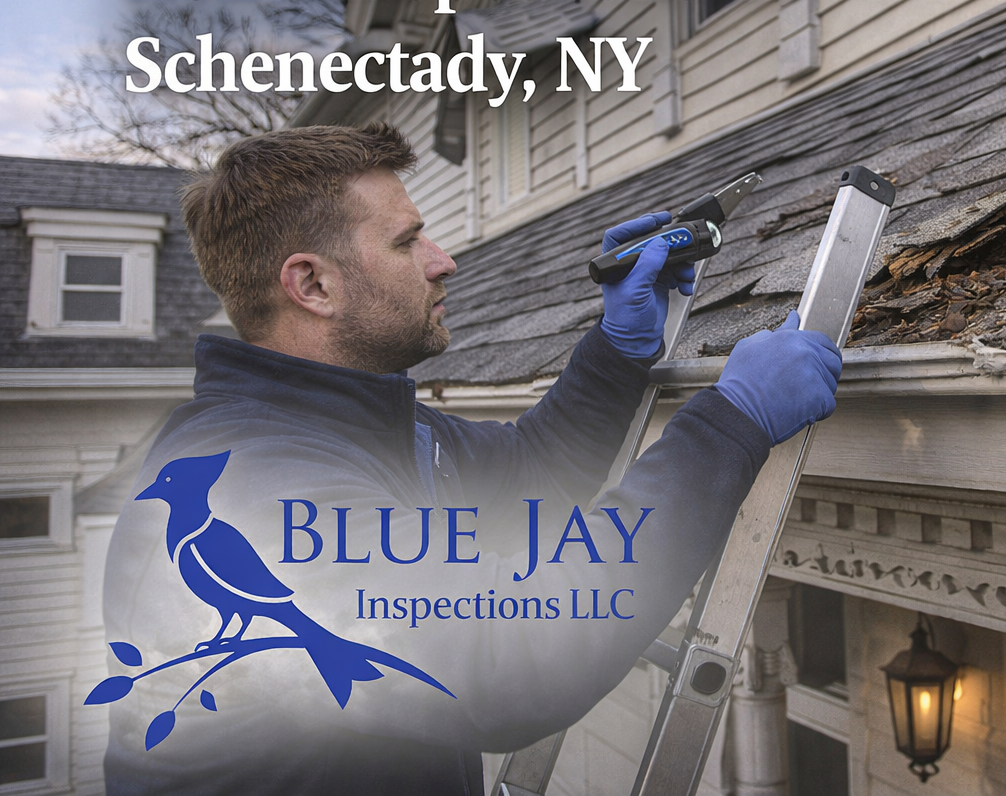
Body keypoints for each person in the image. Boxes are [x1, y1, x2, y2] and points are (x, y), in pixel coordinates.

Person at [100, 124, 841, 795]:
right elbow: (509, 657)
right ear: (312, 285)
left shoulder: (357, 431)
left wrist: (616, 350)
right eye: (405, 242)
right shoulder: (249, 483)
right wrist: (730, 422)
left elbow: (532, 471)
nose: (443, 261)